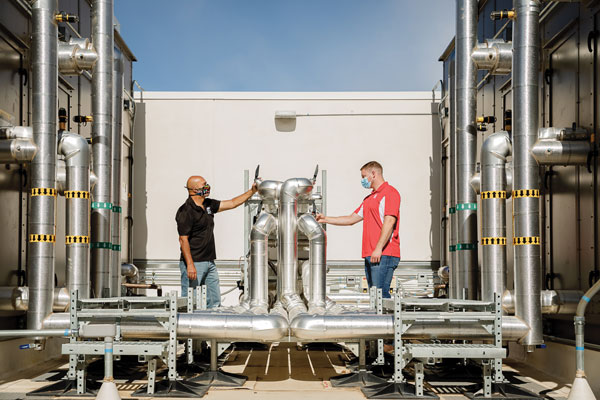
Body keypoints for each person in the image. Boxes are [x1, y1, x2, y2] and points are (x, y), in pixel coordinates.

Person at [317, 161, 400, 298]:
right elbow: (351, 219)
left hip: (384, 253)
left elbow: (390, 221)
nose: (362, 180)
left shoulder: (390, 193)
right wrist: (325, 219)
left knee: (381, 297)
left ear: (373, 174)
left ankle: (387, 320)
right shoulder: (369, 199)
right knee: (374, 298)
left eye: (363, 176)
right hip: (371, 254)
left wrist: (378, 248)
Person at [176, 176, 257, 307]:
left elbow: (232, 203)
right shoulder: (186, 211)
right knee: (191, 302)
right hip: (194, 263)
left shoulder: (208, 205)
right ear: (195, 189)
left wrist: (252, 191)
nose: (207, 187)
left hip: (209, 262)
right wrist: (190, 265)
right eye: (204, 185)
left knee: (214, 300)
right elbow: (183, 240)